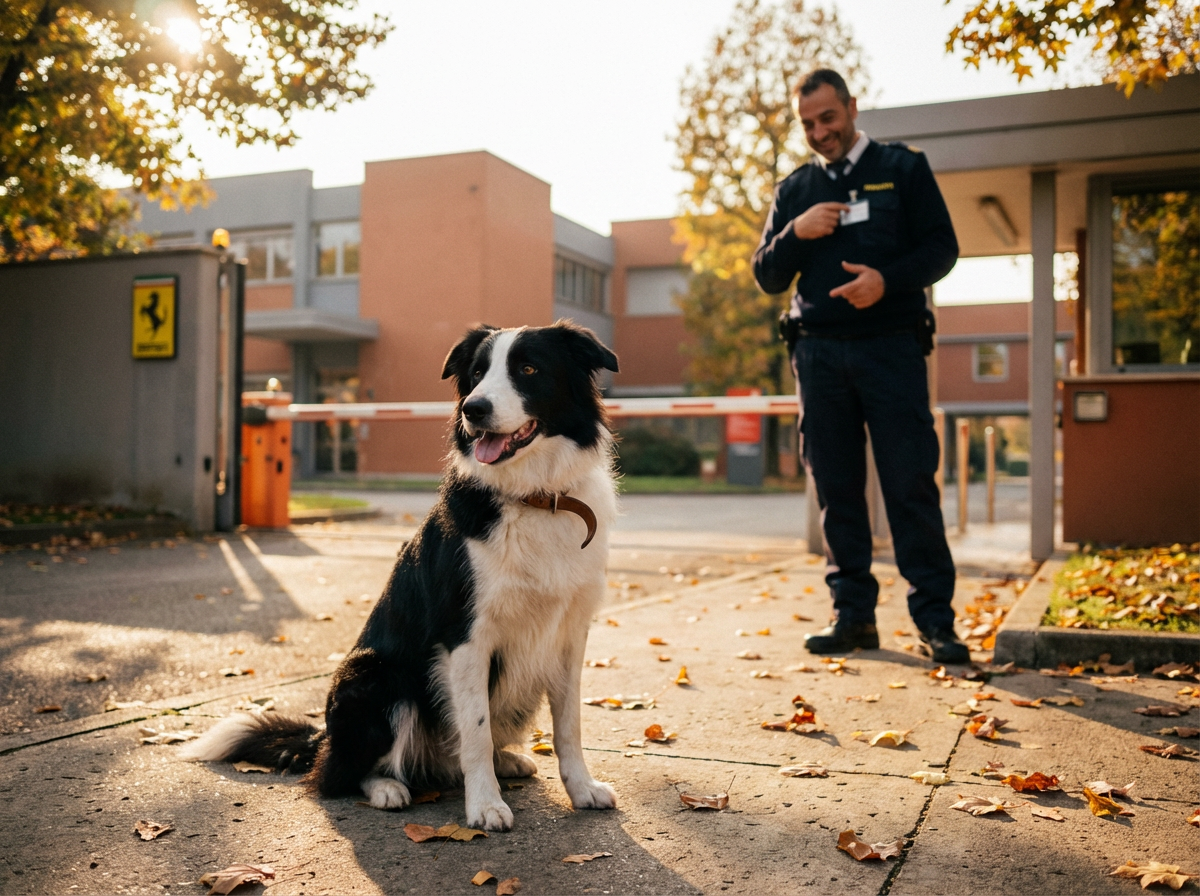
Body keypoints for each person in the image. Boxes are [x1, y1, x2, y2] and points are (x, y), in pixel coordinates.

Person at [752, 68, 969, 664]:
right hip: (818, 355)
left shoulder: (903, 169)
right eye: (808, 124)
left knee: (909, 486)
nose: (820, 132)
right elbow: (767, 273)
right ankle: (853, 618)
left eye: (828, 118)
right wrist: (796, 231)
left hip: (891, 348)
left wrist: (887, 281)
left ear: (851, 107)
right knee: (837, 490)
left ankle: (937, 622)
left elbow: (942, 248)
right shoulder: (795, 190)